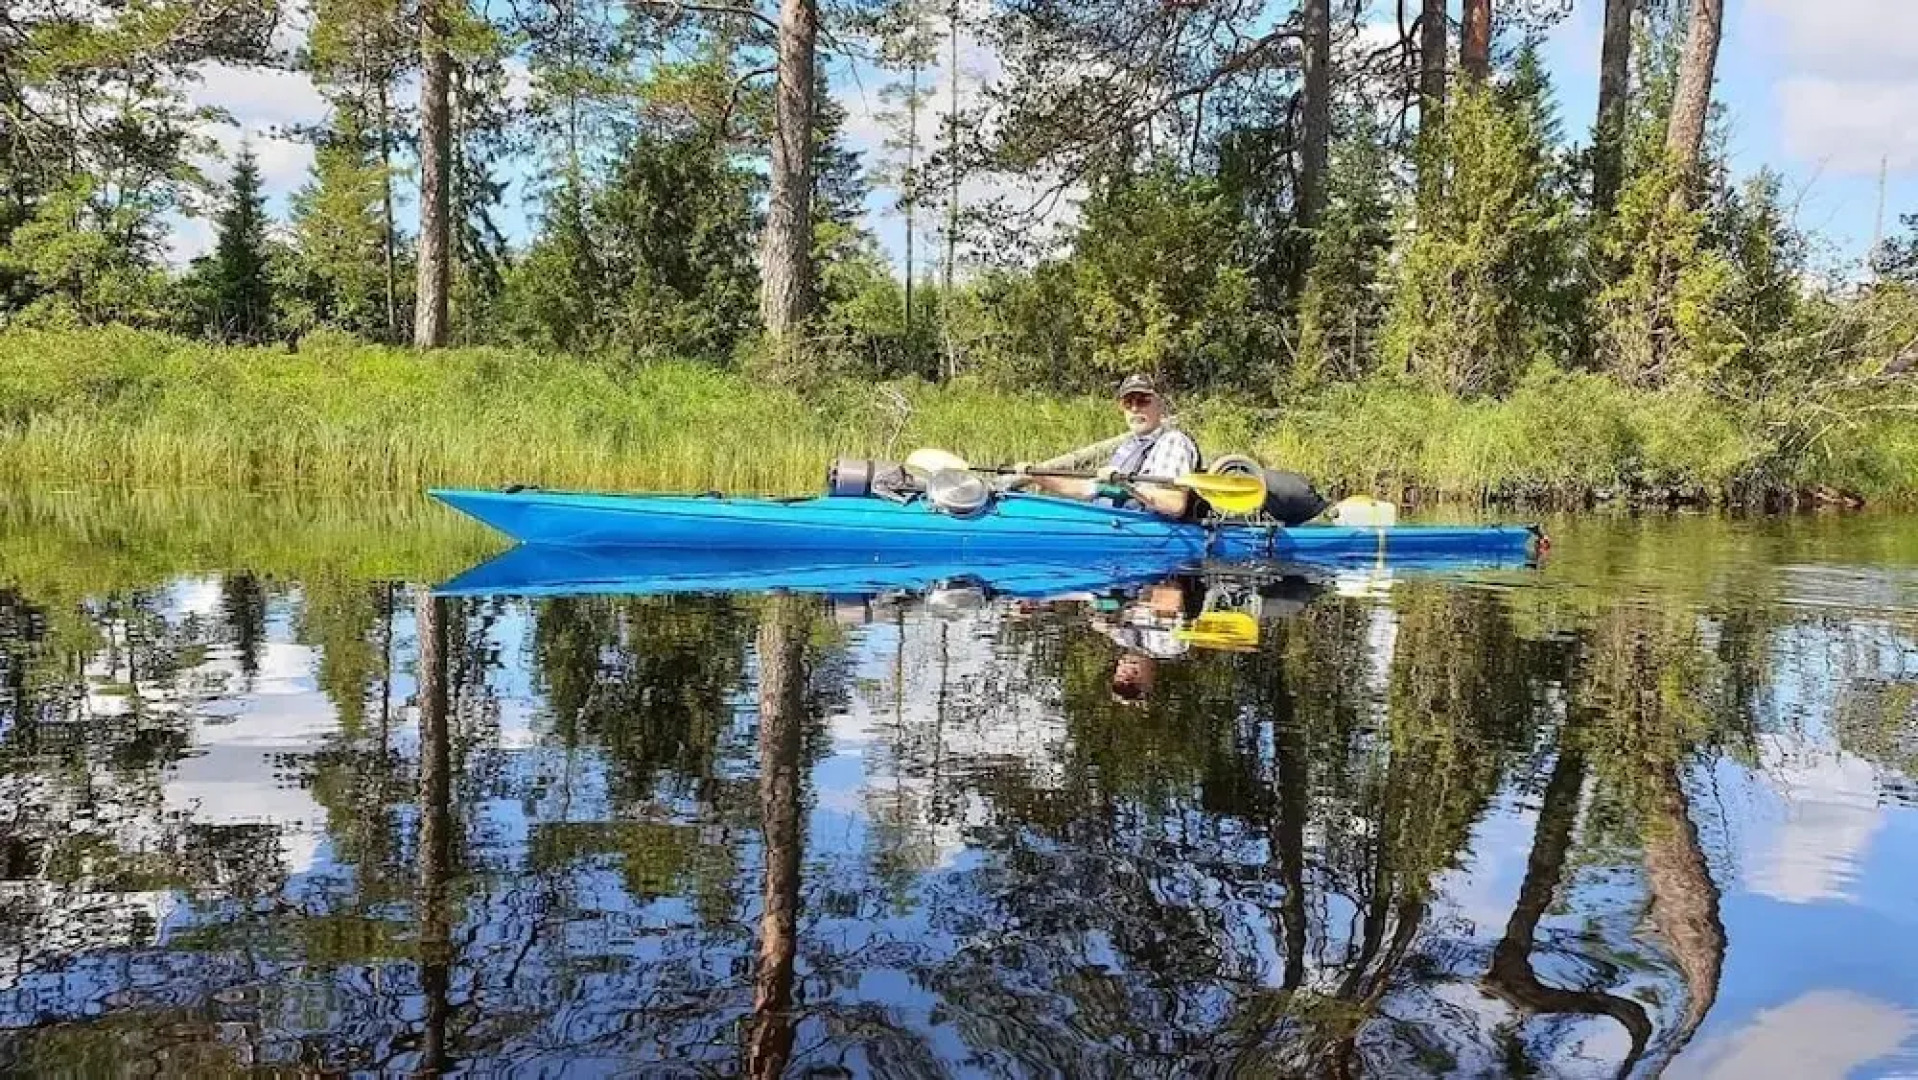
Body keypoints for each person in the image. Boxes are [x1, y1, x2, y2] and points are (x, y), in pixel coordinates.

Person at [1015, 373, 1204, 519]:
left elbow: (1174, 504)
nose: (1135, 409)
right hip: (1112, 521)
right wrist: (1038, 476)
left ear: (1160, 404)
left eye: (1142, 401)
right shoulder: (1129, 447)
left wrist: (1125, 487)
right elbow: (1088, 488)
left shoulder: (1172, 441)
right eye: (1128, 403)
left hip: (1149, 529)